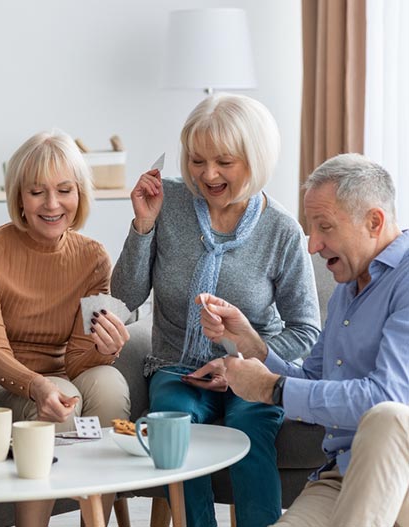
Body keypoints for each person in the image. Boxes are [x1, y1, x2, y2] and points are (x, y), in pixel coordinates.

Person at [111, 93, 321, 527]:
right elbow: (126, 297)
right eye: (197, 160)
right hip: (176, 368)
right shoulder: (166, 202)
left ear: (254, 158)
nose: (207, 174)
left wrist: (239, 361)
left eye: (224, 162)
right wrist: (143, 226)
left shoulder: (282, 230)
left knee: (250, 434)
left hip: (252, 370)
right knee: (175, 431)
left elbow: (305, 331)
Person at [197, 153, 409, 527]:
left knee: (388, 417)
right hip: (339, 476)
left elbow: (385, 398)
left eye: (325, 227)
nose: (312, 245)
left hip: (399, 475)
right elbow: (313, 382)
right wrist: (252, 345)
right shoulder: (349, 285)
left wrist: (272, 388)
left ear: (373, 221)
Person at [0, 129, 131, 526]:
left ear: (80, 194)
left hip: (63, 376)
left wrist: (104, 349)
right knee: (64, 400)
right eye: (37, 192)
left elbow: (77, 357)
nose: (52, 204)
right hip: (4, 384)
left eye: (64, 190)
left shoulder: (92, 257)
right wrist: (39, 386)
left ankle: (95, 523)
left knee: (109, 382)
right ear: (19, 196)